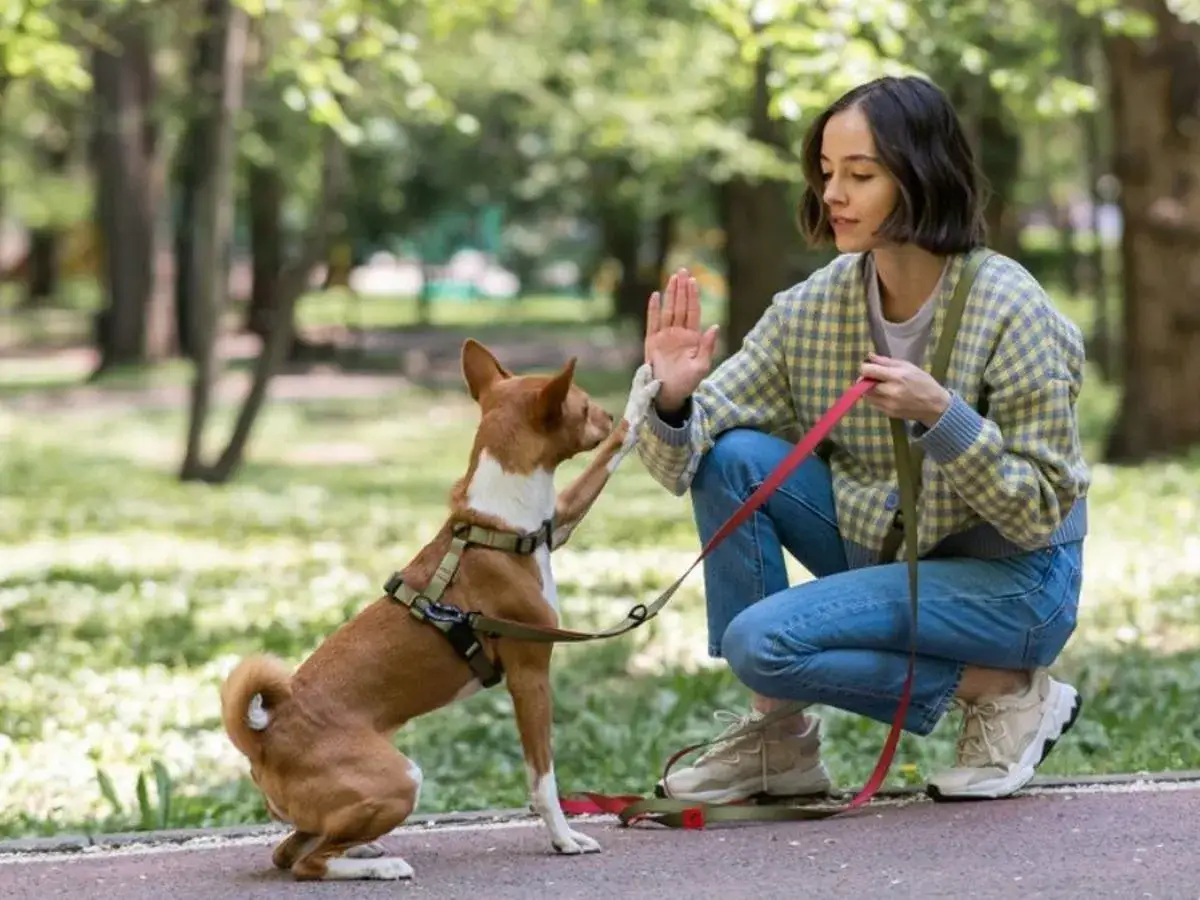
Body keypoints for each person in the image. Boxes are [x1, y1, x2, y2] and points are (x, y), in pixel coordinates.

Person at [633, 74, 1089, 803]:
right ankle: (776, 743)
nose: (832, 195)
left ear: (921, 176)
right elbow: (682, 459)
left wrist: (945, 418)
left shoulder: (1012, 307)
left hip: (1012, 584)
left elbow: (1037, 510)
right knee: (735, 457)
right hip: (894, 548)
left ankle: (1004, 688)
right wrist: (676, 396)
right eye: (825, 174)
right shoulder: (813, 308)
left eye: (860, 174)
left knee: (763, 644)